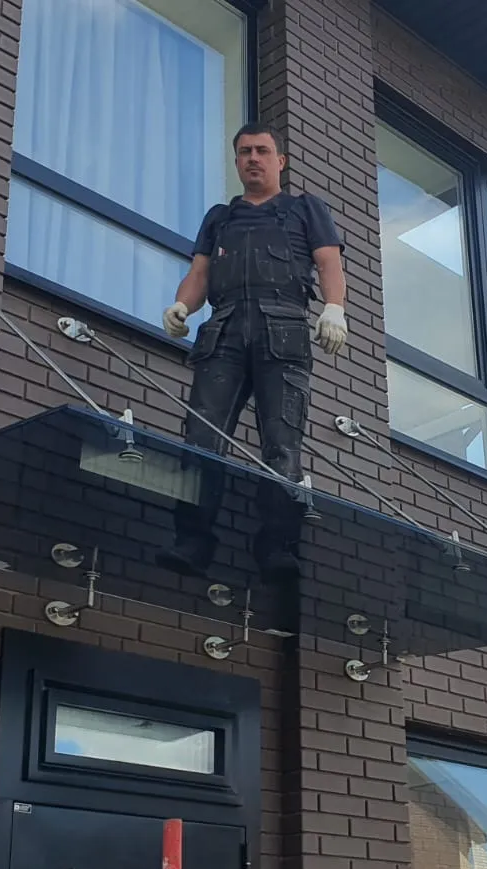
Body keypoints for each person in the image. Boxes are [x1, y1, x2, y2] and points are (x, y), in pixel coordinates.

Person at [155, 122, 349, 588]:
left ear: (280, 161)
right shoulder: (220, 218)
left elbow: (329, 263)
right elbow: (199, 274)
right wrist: (182, 305)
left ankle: (276, 546)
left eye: (262, 151)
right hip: (224, 329)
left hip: (283, 330)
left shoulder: (305, 209)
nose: (253, 159)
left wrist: (335, 308)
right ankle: (193, 541)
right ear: (237, 160)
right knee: (201, 437)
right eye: (244, 152)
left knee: (282, 443)